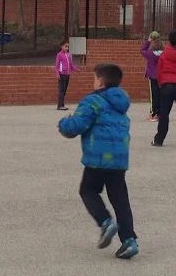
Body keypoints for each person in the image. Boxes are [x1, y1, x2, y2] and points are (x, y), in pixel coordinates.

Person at [57, 63, 139, 260]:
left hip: (98, 157)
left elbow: (76, 126)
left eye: (94, 78)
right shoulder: (121, 104)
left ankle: (105, 221)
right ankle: (129, 240)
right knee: (120, 198)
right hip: (119, 159)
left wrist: (63, 123)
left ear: (101, 82)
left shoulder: (93, 101)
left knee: (88, 190)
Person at [140, 32, 164, 121]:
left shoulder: (150, 53)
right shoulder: (164, 53)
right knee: (161, 94)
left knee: (153, 95)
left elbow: (142, 50)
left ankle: (154, 113)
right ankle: (161, 113)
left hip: (153, 76)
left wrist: (148, 41)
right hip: (162, 76)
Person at [54, 39, 79, 110]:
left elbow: (71, 65)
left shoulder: (69, 55)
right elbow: (57, 66)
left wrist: (77, 70)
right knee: (61, 90)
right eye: (65, 46)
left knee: (64, 90)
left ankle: (62, 105)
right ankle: (60, 106)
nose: (67, 48)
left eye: (68, 47)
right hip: (62, 74)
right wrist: (57, 74)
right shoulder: (59, 55)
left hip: (67, 75)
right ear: (62, 47)